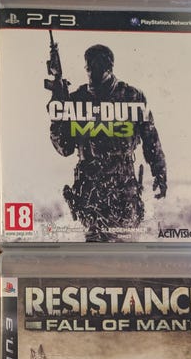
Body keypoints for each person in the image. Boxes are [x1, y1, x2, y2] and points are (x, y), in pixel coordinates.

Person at [48, 43, 167, 242]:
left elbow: (151, 139)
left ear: (109, 67)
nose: (91, 71)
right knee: (95, 249)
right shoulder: (76, 100)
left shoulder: (132, 97)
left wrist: (160, 173)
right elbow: (64, 148)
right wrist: (57, 109)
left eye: (97, 66)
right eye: (89, 66)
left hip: (123, 190)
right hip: (91, 194)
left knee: (126, 244)